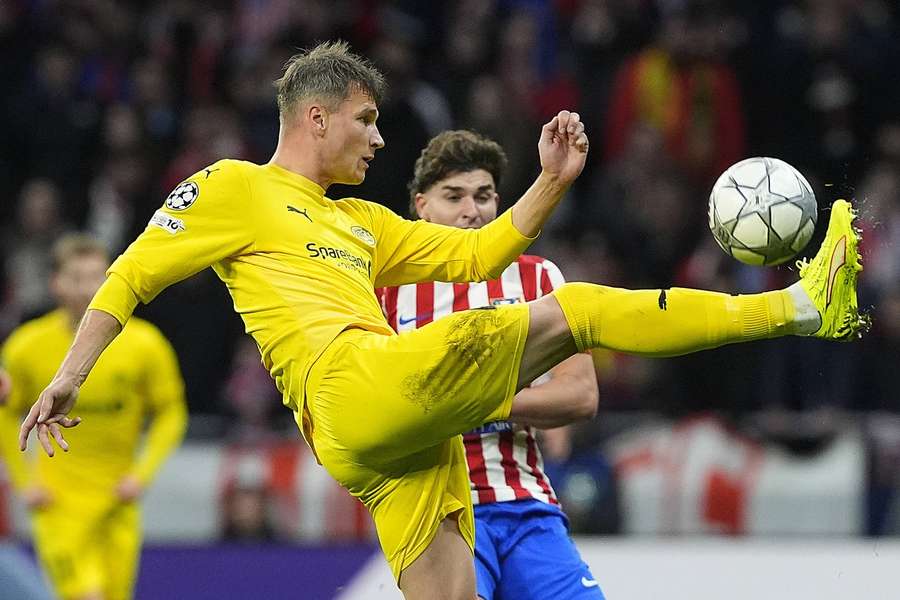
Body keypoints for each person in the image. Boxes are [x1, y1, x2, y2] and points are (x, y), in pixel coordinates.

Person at [17, 41, 866, 600]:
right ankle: (794, 305)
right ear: (317, 117)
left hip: (391, 446)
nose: (379, 140)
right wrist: (68, 374)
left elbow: (476, 254)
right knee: (570, 310)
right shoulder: (235, 186)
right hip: (352, 383)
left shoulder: (361, 224)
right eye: (367, 120)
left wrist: (552, 182)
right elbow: (130, 275)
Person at [377, 130, 605, 599]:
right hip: (442, 514)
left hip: (527, 506)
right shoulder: (386, 291)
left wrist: (484, 401)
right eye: (453, 196)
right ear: (422, 207)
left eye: (483, 196)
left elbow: (581, 396)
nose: (471, 210)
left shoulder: (537, 276)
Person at [1, 234, 187, 600]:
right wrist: (25, 482)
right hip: (59, 502)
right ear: (56, 283)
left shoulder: (145, 345)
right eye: (77, 277)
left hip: (118, 499)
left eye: (97, 277)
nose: (88, 288)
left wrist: (141, 474)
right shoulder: (26, 346)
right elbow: (5, 414)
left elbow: (171, 413)